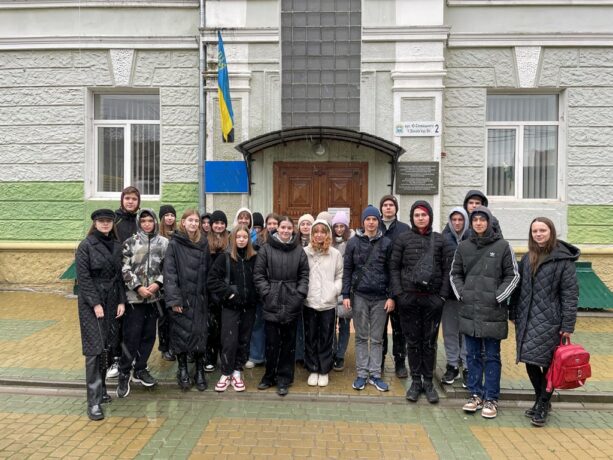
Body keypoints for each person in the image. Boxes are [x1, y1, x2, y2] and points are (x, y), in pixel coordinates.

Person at [450, 206, 519, 419]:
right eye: (475, 220)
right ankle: (475, 395)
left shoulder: (503, 246)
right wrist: (463, 294)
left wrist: (498, 297)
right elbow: (455, 274)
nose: (479, 223)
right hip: (469, 310)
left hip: (493, 312)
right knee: (472, 355)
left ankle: (491, 398)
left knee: (491, 356)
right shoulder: (463, 246)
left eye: (482, 219)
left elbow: (513, 275)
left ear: (489, 222)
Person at [509, 217, 579, 427]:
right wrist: (513, 312)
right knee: (529, 360)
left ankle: (542, 404)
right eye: (535, 231)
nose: (538, 234)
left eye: (543, 230)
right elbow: (518, 288)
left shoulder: (563, 260)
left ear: (551, 232)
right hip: (526, 318)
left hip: (551, 321)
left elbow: (570, 295)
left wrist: (567, 325)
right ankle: (541, 399)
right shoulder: (527, 257)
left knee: (549, 365)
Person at [390, 201, 444, 403]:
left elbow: (447, 269)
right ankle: (415, 382)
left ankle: (428, 382)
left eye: (424, 215)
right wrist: (399, 294)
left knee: (429, 342)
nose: (420, 218)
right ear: (412, 218)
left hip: (432, 300)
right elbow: (394, 268)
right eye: (417, 215)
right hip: (409, 300)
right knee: (412, 342)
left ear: (430, 216)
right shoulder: (403, 239)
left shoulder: (439, 240)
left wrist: (441, 297)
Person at [76, 209, 126, 420]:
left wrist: (121, 300)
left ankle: (103, 390)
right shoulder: (86, 246)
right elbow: (83, 278)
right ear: (95, 223)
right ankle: (93, 402)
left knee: (108, 347)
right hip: (92, 303)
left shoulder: (116, 245)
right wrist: (95, 303)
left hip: (112, 299)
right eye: (101, 221)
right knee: (94, 350)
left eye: (108, 221)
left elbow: (120, 276)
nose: (105, 224)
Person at [254, 216, 310, 396]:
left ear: (293, 230)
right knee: (272, 342)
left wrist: (299, 295)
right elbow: (259, 275)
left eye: (289, 228)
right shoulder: (266, 249)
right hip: (272, 300)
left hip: (292, 301)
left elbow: (304, 275)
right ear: (277, 228)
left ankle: (284, 378)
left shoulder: (299, 251)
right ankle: (269, 376)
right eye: (282, 227)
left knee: (288, 343)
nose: (285, 231)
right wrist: (267, 293)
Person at [342, 205, 395, 392]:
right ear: (363, 222)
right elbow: (347, 269)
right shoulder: (353, 243)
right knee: (361, 337)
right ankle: (362, 374)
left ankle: (375, 375)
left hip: (381, 297)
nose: (371, 223)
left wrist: (391, 296)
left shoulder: (387, 243)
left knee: (377, 338)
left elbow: (392, 271)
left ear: (378, 221)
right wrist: (345, 294)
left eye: (374, 219)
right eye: (368, 219)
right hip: (360, 296)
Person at [117, 209, 168, 398]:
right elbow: (124, 268)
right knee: (131, 337)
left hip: (154, 299)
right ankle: (124, 372)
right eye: (144, 221)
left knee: (149, 336)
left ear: (155, 222)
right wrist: (137, 287)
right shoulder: (130, 243)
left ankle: (140, 368)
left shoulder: (164, 243)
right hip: (134, 299)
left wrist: (157, 284)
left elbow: (168, 267)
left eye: (150, 220)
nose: (147, 224)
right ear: (139, 223)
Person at [164, 209, 211, 391]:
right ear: (183, 222)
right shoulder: (174, 244)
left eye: (196, 221)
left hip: (199, 297)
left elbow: (208, 270)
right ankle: (182, 369)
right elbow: (170, 273)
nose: (193, 223)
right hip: (181, 298)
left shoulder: (203, 243)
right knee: (180, 334)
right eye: (190, 220)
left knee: (200, 334)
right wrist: (174, 300)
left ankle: (199, 369)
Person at [208, 224, 259, 392]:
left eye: (245, 237)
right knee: (229, 340)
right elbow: (212, 280)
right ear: (233, 239)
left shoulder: (254, 258)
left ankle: (237, 371)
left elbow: (259, 279)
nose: (241, 240)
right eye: (238, 237)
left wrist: (254, 296)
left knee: (244, 340)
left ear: (248, 239)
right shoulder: (225, 258)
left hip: (249, 307)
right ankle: (226, 372)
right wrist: (229, 294)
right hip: (231, 307)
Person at [304, 219, 343, 387]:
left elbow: (339, 275)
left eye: (323, 231)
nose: (319, 235)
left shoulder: (335, 254)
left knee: (326, 337)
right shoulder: (305, 252)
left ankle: (324, 369)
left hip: (328, 302)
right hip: (310, 301)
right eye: (316, 232)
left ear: (328, 234)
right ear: (312, 234)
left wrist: (334, 290)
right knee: (311, 336)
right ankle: (313, 368)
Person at [107, 185, 140, 378]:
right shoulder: (114, 219)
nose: (130, 202)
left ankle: (132, 357)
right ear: (122, 200)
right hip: (117, 277)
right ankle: (116, 359)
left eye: (134, 199)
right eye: (127, 198)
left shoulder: (140, 220)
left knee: (133, 322)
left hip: (136, 278)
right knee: (116, 321)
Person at [379, 195, 410, 379]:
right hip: (380, 284)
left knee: (399, 328)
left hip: (399, 285)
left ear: (396, 208)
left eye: (391, 205)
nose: (388, 208)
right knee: (380, 329)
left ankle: (400, 362)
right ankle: (380, 361)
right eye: (385, 205)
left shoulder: (404, 229)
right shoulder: (375, 226)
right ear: (381, 208)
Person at [439, 207, 469, 385]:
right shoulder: (443, 239)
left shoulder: (473, 238)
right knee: (450, 331)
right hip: (449, 294)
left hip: (468, 295)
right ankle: (452, 365)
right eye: (454, 219)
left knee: (466, 332)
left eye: (460, 219)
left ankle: (466, 366)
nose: (457, 223)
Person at [246, 212, 280, 369]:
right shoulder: (258, 241)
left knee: (274, 326)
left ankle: (273, 356)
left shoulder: (284, 240)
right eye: (270, 223)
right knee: (258, 323)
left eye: (275, 223)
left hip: (279, 290)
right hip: (261, 289)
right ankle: (256, 355)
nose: (272, 226)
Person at [205, 210, 230, 372]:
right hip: (209, 289)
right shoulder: (205, 241)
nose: (219, 226)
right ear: (211, 224)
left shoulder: (231, 240)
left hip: (226, 288)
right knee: (211, 327)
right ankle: (210, 358)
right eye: (216, 223)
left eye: (222, 223)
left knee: (226, 327)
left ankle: (225, 358)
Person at [331, 210, 354, 372]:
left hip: (346, 288)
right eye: (336, 226)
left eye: (342, 226)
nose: (339, 229)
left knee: (344, 324)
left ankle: (340, 355)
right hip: (331, 287)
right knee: (330, 324)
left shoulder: (352, 242)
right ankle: (332, 351)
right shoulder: (329, 242)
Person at [158, 204, 177, 361]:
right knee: (163, 317)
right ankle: (164, 347)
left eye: (172, 215)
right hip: (161, 283)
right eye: (167, 215)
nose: (170, 218)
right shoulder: (158, 236)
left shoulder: (178, 235)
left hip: (176, 281)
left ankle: (174, 345)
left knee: (175, 316)